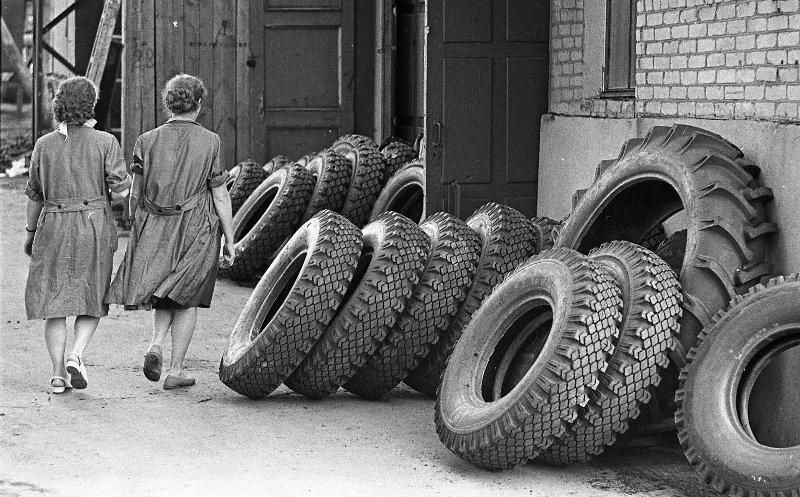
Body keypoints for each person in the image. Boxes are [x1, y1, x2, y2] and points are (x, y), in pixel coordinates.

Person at [107, 74, 236, 390]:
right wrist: (230, 238)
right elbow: (219, 193)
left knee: (164, 289)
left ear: (169, 104)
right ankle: (176, 369)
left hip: (155, 224)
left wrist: (138, 227)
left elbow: (136, 192)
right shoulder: (211, 141)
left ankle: (156, 344)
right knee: (187, 296)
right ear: (199, 104)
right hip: (196, 226)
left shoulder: (146, 140)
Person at [24, 76, 131, 394]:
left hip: (54, 225)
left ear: (58, 105)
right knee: (91, 298)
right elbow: (122, 190)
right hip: (92, 225)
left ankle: (58, 374)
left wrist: (31, 232)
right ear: (91, 105)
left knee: (54, 303)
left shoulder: (43, 145)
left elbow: (34, 195)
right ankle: (77, 354)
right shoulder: (105, 142)